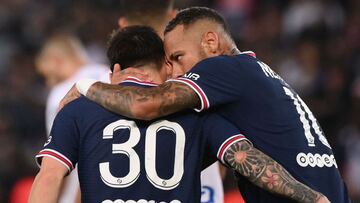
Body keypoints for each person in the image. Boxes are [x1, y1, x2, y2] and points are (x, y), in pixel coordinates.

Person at [63, 7, 349, 203]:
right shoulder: (252, 73)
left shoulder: (222, 69)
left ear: (210, 42)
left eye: (177, 57)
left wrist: (88, 86)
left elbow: (146, 105)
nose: (175, 71)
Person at [116, 1, 226, 202]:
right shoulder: (204, 70)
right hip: (204, 190)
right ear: (173, 15)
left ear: (123, 24)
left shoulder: (115, 84)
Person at [35, 33, 108, 203]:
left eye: (48, 75)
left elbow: (58, 161)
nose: (48, 82)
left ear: (57, 60)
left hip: (79, 189)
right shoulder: (108, 74)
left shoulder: (61, 93)